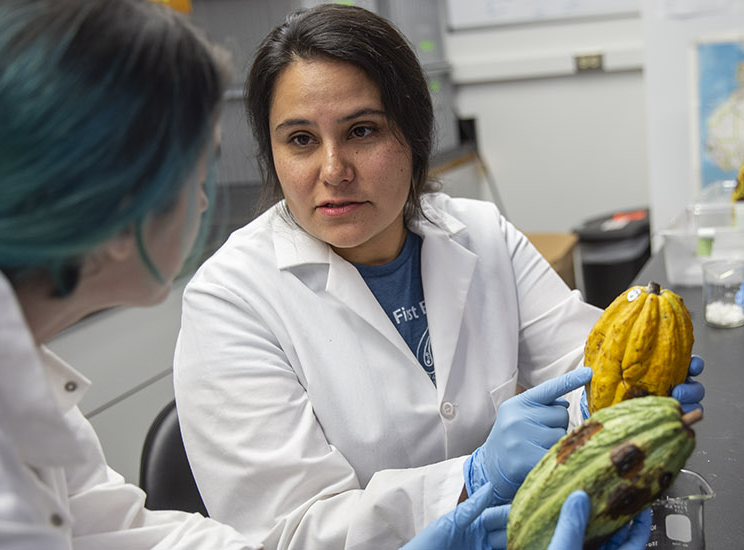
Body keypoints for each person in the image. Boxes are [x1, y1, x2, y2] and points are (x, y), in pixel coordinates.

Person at [170, 4, 704, 549]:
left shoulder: (481, 233)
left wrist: (617, 395)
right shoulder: (230, 300)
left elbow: (581, 364)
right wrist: (472, 478)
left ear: (415, 135)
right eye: (301, 139)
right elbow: (291, 530)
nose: (333, 170)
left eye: (361, 131)